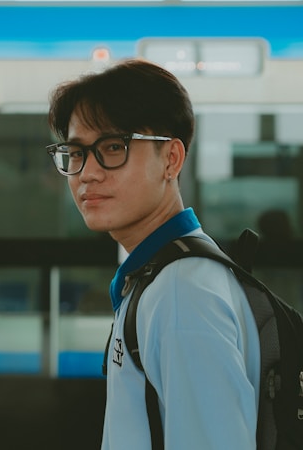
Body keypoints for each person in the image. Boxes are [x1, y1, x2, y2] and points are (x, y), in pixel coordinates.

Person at [46, 59, 261, 449]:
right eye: (75, 152)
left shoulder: (182, 293)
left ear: (171, 160)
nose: (87, 173)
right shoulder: (159, 278)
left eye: (113, 147)